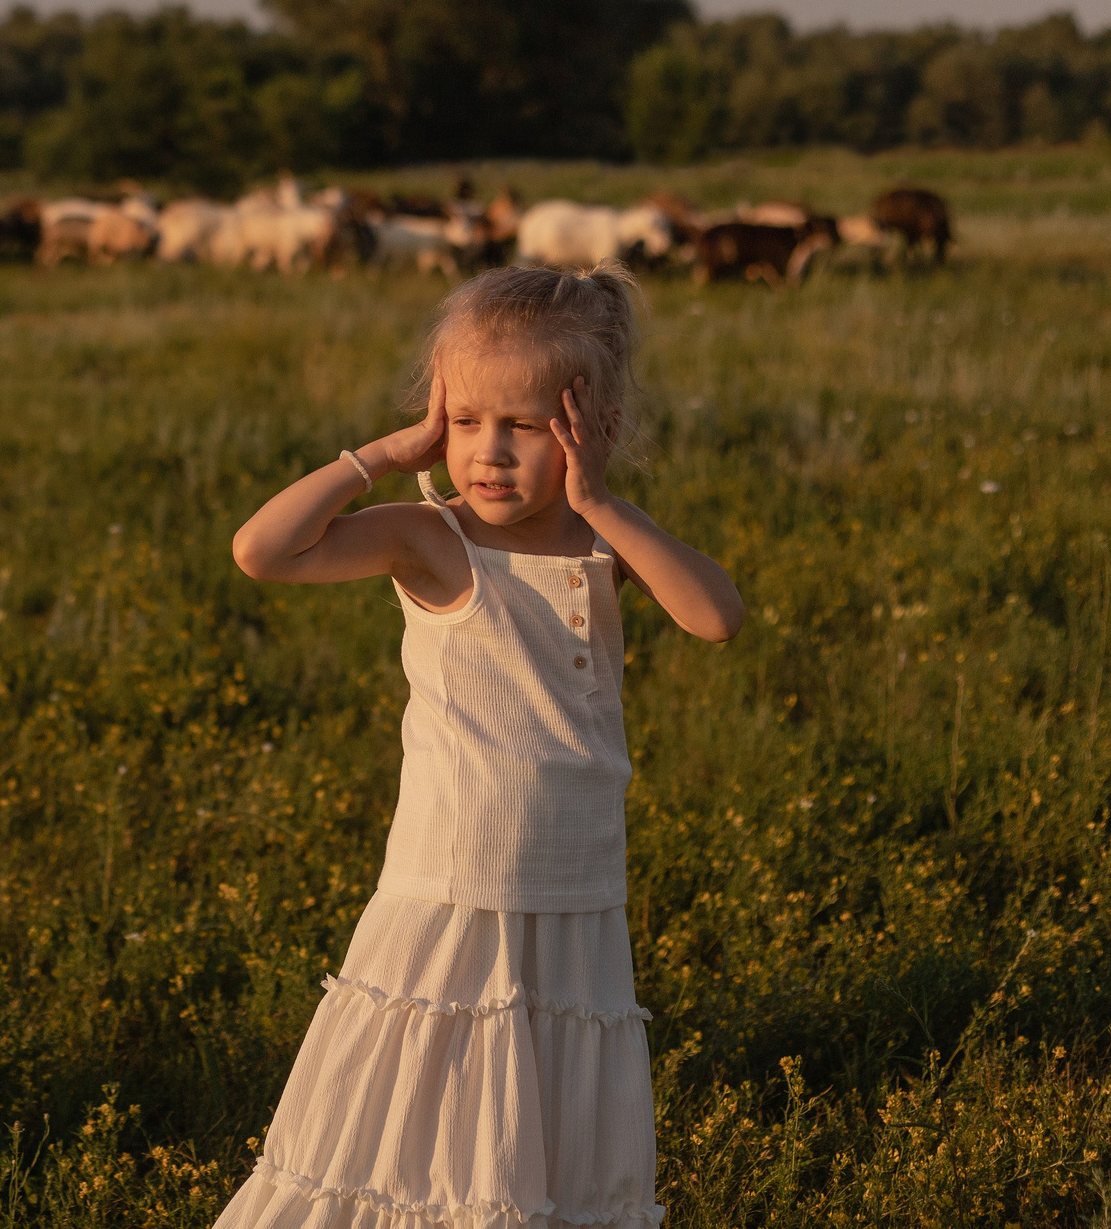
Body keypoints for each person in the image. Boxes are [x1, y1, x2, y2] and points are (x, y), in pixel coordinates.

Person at [216, 263, 742, 1229]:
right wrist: (380, 452)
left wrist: (605, 507)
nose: (489, 454)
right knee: (417, 1118)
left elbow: (716, 617)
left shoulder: (601, 547)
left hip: (576, 885)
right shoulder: (430, 536)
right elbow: (262, 551)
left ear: (592, 431)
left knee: (541, 1120)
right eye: (466, 423)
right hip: (451, 880)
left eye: (525, 426)